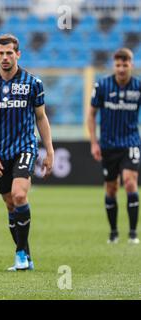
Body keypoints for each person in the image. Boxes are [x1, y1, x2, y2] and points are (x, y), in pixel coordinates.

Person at [0, 34, 54, 271]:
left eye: (9, 53)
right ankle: (26, 256)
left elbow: (41, 118)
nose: (5, 57)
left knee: (20, 195)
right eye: (1, 53)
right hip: (1, 153)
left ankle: (20, 253)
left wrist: (49, 151)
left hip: (25, 147)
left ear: (18, 54)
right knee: (10, 204)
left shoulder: (33, 83)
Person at [87, 48, 140, 245]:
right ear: (114, 65)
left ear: (131, 65)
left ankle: (133, 233)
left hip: (131, 142)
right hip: (108, 144)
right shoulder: (102, 85)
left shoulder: (138, 87)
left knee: (130, 182)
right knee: (111, 188)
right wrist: (94, 142)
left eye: (125, 65)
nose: (121, 69)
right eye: (118, 65)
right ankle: (114, 232)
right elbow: (91, 115)